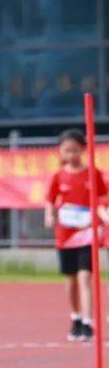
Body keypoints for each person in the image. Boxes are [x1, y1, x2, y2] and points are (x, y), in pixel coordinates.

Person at [44, 128, 106, 342]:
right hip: (65, 235)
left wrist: (103, 217)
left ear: (83, 150)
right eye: (67, 150)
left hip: (88, 233)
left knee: (85, 277)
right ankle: (76, 317)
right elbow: (50, 201)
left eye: (76, 150)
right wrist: (49, 216)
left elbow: (102, 199)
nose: (72, 155)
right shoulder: (58, 176)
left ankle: (89, 322)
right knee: (71, 281)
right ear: (60, 152)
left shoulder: (93, 174)